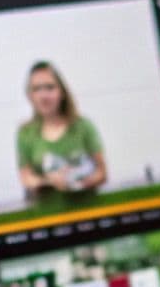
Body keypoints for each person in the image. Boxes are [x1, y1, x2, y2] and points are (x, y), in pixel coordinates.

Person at [16, 61, 107, 205]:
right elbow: (26, 178)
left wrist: (75, 180)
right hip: (46, 213)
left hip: (85, 207)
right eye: (36, 89)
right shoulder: (25, 133)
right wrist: (49, 182)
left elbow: (102, 173)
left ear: (62, 92)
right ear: (30, 95)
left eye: (49, 87)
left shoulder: (83, 126)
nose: (44, 95)